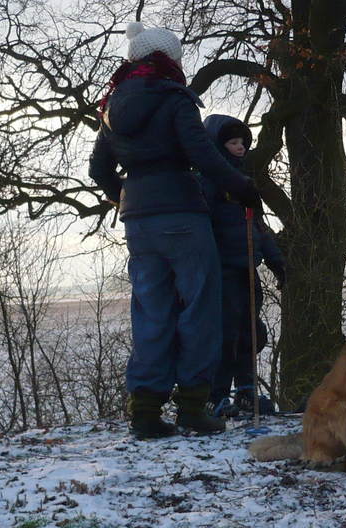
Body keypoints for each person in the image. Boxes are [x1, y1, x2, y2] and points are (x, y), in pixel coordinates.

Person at [88, 22, 262, 439]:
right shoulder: (174, 97)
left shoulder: (111, 107)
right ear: (169, 59)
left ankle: (146, 412)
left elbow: (99, 170)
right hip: (183, 214)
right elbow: (203, 153)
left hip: (138, 221)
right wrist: (242, 187)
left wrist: (127, 198)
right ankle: (192, 407)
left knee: (151, 310)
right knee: (200, 307)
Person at [196, 114, 286, 418]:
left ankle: (246, 390)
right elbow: (202, 228)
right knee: (227, 333)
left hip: (248, 269)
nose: (240, 147)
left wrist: (277, 263)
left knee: (251, 331)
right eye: (233, 142)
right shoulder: (207, 182)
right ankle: (217, 395)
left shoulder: (246, 184)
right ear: (217, 146)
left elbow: (259, 227)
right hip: (223, 271)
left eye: (242, 142)